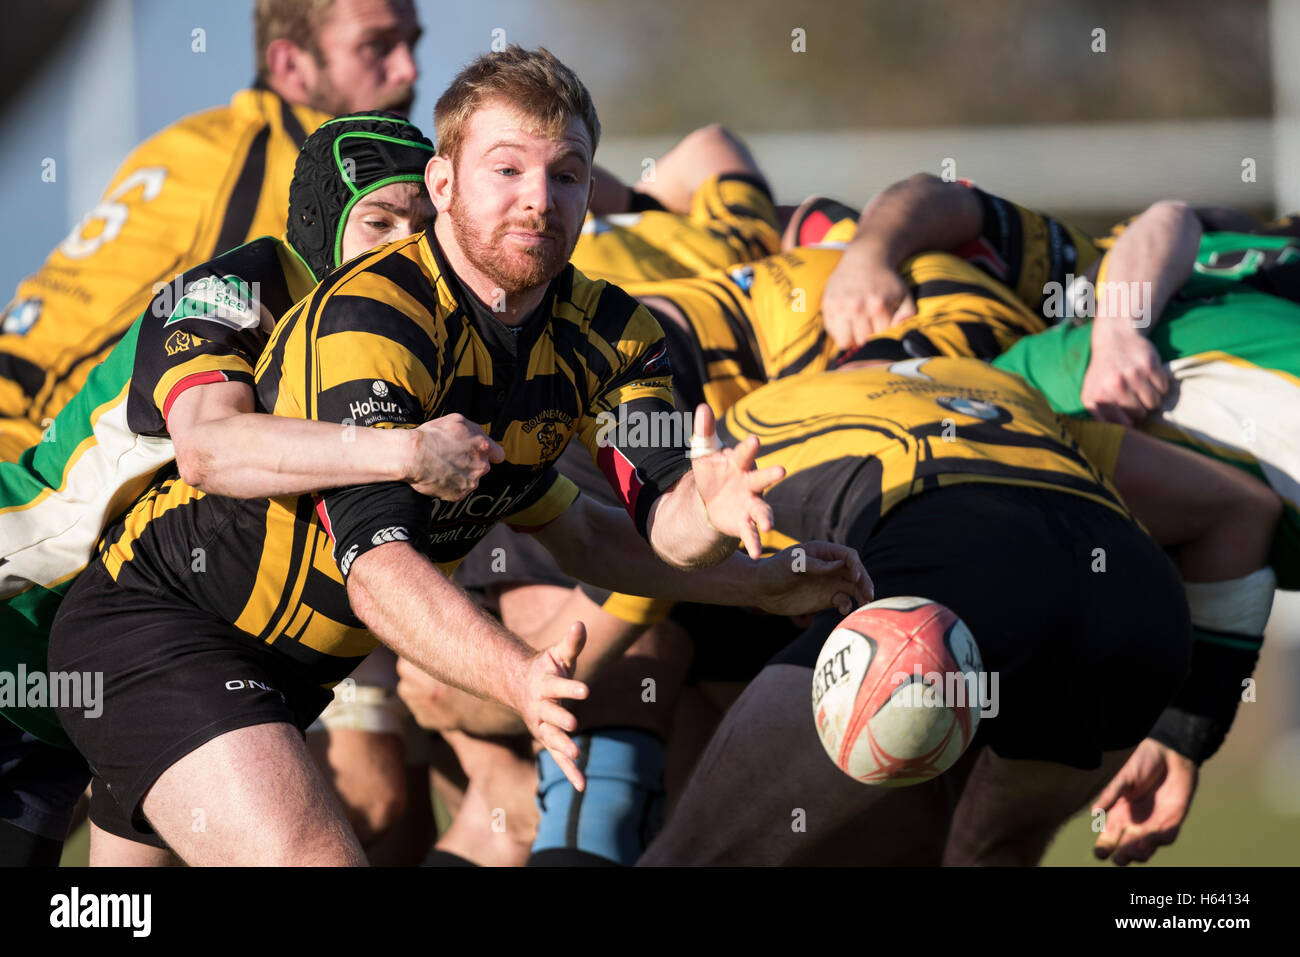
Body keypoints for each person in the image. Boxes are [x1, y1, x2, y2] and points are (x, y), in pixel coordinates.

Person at [47, 46, 869, 866]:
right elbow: (377, 571)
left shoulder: (614, 335)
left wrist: (740, 554)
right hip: (157, 629)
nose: (538, 201)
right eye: (505, 169)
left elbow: (611, 532)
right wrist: (519, 676)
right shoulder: (375, 310)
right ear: (444, 186)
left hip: (284, 669)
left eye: (568, 173)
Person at [0, 112, 496, 866]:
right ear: (322, 226)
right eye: (380, 221)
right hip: (27, 602)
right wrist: (406, 452)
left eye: (425, 226)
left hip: (140, 652)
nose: (407, 247)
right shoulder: (237, 292)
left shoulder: (404, 337)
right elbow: (207, 446)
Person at [639, 351, 1278, 866]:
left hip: (946, 577)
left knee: (693, 856)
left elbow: (672, 550)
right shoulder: (1003, 387)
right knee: (987, 855)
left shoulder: (763, 407)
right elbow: (1245, 508)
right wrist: (1185, 734)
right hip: (1137, 601)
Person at [0, 0, 421, 460]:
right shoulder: (265, 176)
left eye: (411, 44)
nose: (408, 70)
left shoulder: (201, 140)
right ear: (290, 64)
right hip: (28, 469)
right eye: (376, 47)